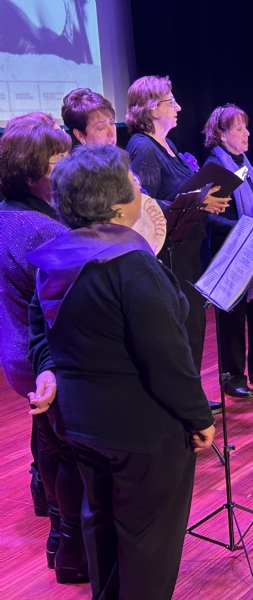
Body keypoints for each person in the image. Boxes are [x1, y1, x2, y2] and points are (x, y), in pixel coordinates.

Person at [27, 145, 216, 600]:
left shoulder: (55, 257)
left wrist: (48, 369)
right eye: (134, 183)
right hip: (142, 430)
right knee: (148, 547)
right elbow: (165, 356)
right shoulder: (131, 264)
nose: (141, 189)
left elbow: (40, 330)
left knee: (104, 532)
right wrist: (199, 417)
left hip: (82, 426)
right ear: (115, 203)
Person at [0, 117, 88, 584]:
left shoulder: (6, 213)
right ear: (33, 172)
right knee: (68, 452)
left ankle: (55, 529)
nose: (69, 167)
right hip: (42, 357)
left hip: (15, 353)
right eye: (59, 161)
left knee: (48, 440)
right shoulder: (41, 229)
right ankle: (71, 549)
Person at [124, 75, 228, 375]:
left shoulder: (166, 143)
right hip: (170, 253)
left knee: (194, 325)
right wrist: (199, 202)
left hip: (188, 246)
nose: (179, 107)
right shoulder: (143, 147)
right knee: (184, 325)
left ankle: (192, 393)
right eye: (171, 102)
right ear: (152, 108)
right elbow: (144, 203)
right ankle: (185, 403)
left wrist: (209, 202)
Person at [203, 104, 253, 397]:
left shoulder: (245, 163)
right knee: (232, 318)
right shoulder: (214, 167)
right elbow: (209, 216)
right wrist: (244, 230)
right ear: (221, 135)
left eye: (246, 127)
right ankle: (232, 376)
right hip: (230, 251)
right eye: (239, 128)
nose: (247, 133)